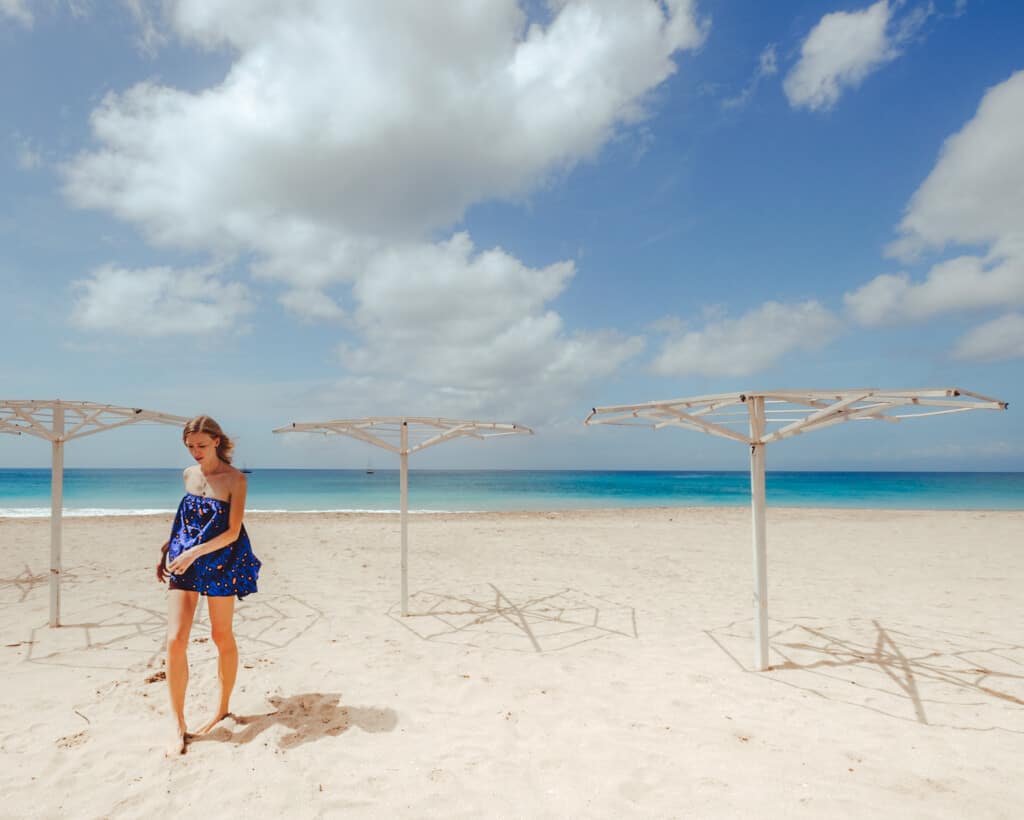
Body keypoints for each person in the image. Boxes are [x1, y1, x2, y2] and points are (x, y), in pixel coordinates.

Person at [156, 415, 261, 756]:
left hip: (221, 560)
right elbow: (184, 520)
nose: (195, 452)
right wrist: (167, 548)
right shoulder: (188, 475)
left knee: (220, 635)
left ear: (217, 440)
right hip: (183, 558)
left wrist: (195, 553)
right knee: (175, 639)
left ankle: (222, 707)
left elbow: (231, 532)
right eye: (189, 447)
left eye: (201, 445)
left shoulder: (235, 480)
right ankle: (176, 721)